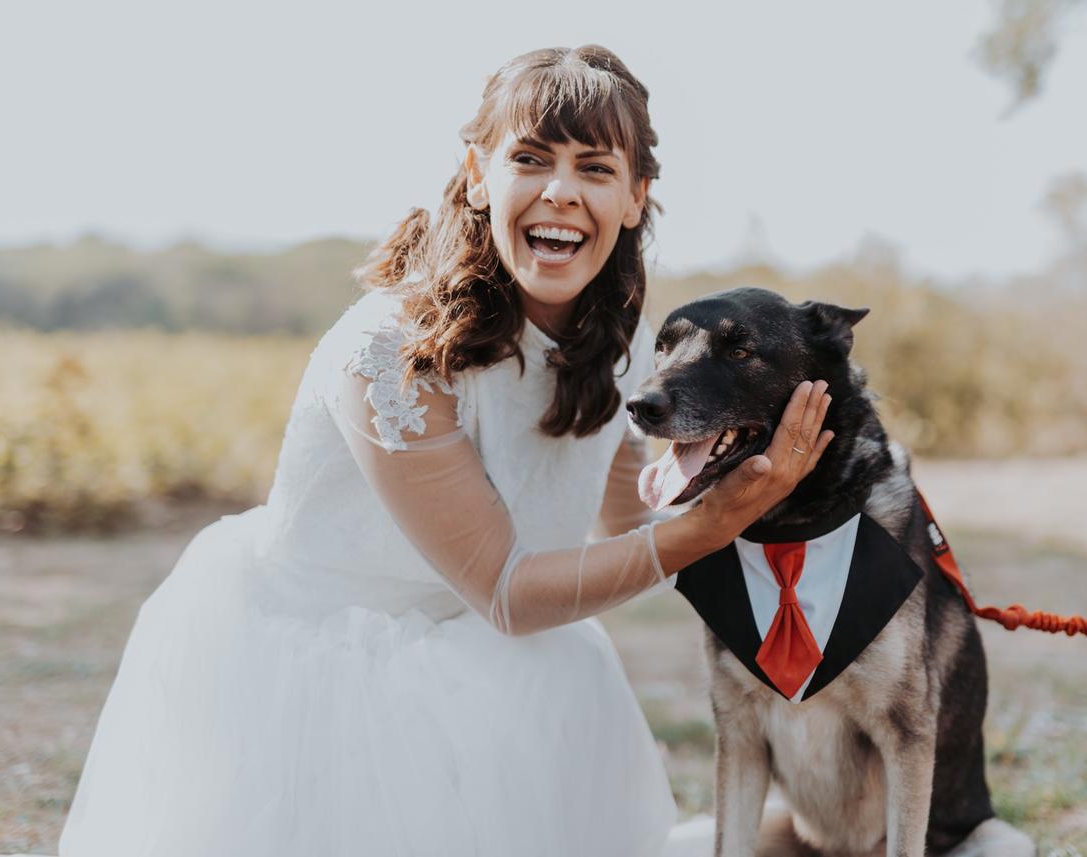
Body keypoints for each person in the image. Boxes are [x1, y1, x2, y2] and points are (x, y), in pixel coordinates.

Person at [58, 45, 833, 857]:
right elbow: (504, 589)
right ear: (476, 173)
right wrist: (707, 529)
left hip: (500, 665)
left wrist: (764, 487)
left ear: (636, 197)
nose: (561, 191)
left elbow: (627, 512)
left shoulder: (620, 344)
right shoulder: (391, 349)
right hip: (318, 688)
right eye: (529, 159)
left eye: (595, 168)